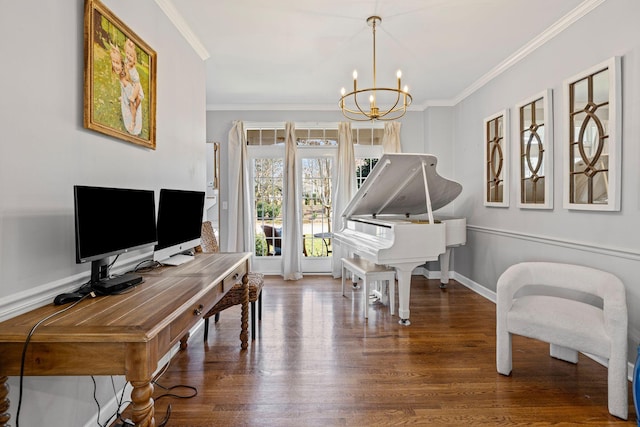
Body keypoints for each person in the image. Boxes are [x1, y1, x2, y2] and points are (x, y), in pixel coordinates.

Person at [109, 44, 141, 135]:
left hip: (135, 87)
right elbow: (122, 59)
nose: (115, 66)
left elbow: (132, 86)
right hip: (131, 85)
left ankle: (133, 121)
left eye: (117, 63)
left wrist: (131, 98)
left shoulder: (126, 79)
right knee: (130, 96)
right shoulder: (123, 70)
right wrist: (117, 51)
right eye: (113, 62)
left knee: (132, 102)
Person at [124, 39, 144, 131]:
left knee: (135, 102)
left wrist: (133, 96)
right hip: (134, 84)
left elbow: (137, 84)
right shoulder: (127, 62)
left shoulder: (131, 66)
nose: (128, 56)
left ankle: (133, 121)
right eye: (127, 53)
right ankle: (132, 117)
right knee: (133, 103)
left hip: (137, 88)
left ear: (134, 58)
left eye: (131, 55)